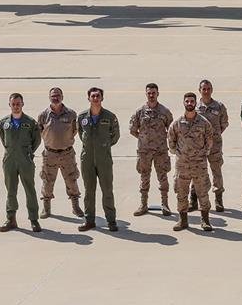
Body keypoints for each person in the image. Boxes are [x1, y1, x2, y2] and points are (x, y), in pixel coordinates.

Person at [168, 92, 216, 232]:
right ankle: (183, 221)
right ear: (184, 103)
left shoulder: (204, 123)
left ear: (195, 103)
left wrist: (202, 154)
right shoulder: (177, 123)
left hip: (199, 165)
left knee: (203, 193)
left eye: (192, 101)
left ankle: (205, 220)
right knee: (181, 193)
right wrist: (179, 154)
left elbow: (209, 141)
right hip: (182, 165)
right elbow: (171, 140)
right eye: (187, 101)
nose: (190, 103)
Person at [77, 87, 120, 232]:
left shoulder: (109, 116)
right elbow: (80, 133)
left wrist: (104, 145)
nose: (95, 98)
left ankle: (111, 221)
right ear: (88, 98)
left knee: (107, 190)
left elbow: (115, 136)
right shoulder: (82, 117)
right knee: (89, 191)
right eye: (93, 96)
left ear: (102, 98)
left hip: (104, 159)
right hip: (87, 158)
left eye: (98, 96)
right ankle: (89, 220)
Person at [0, 92, 41, 233]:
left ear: (23, 104)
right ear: (9, 105)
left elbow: (36, 140)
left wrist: (27, 152)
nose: (16, 106)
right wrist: (12, 150)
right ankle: (11, 219)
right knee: (11, 190)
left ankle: (34, 219)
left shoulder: (30, 122)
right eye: (13, 104)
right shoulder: (4, 123)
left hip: (25, 159)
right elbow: (3, 139)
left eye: (18, 104)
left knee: (30, 189)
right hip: (10, 159)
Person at [37, 87, 82, 220]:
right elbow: (39, 132)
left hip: (67, 153)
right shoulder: (43, 115)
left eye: (57, 95)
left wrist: (64, 142)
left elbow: (75, 131)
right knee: (47, 181)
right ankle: (46, 207)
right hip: (50, 154)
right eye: (53, 96)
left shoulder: (71, 114)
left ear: (62, 97)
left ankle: (75, 206)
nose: (55, 98)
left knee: (72, 179)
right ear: (49, 97)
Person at [129, 83, 174, 217]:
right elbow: (132, 130)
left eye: (154, 93)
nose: (151, 95)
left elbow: (172, 130)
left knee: (163, 177)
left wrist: (160, 139)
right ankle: (143, 205)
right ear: (146, 94)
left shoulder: (164, 112)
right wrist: (143, 139)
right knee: (144, 178)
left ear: (158, 94)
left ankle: (165, 204)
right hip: (144, 152)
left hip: (160, 151)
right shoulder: (140, 112)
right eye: (149, 93)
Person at [196, 79, 229, 212]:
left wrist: (213, 136)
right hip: (198, 146)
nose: (206, 91)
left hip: (215, 146)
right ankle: (194, 199)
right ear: (200, 90)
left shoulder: (219, 106)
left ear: (212, 90)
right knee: (197, 172)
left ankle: (218, 199)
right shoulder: (195, 106)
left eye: (208, 88)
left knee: (217, 172)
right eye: (203, 89)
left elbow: (224, 124)